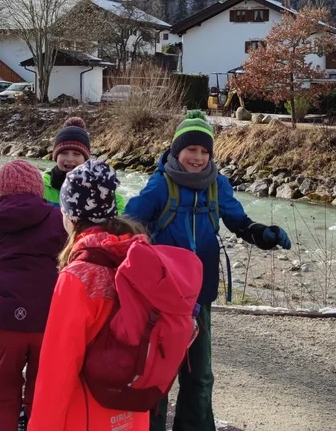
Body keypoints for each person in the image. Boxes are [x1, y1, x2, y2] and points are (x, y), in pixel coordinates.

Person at [126, 110, 292, 431]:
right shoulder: (160, 185)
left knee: (199, 376)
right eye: (191, 149)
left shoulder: (218, 186)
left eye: (204, 151)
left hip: (199, 295)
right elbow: (130, 221)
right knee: (156, 374)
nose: (198, 157)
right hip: (162, 298)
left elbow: (239, 223)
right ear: (176, 150)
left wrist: (263, 234)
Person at [28, 161, 150, 431]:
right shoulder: (140, 259)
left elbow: (57, 370)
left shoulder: (78, 277)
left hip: (86, 412)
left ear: (71, 216)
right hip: (134, 409)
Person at [0, 159, 68, 431]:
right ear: (38, 188)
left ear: (2, 190)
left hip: (6, 321)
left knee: (4, 384)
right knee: (43, 385)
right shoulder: (59, 219)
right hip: (48, 319)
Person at [43, 117, 125, 211]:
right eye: (63, 153)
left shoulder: (101, 188)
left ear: (86, 159)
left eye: (77, 154)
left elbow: (120, 212)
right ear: (55, 156)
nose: (70, 159)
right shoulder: (41, 186)